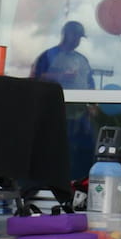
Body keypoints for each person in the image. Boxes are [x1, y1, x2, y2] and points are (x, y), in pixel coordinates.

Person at [31, 20, 96, 183]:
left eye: (80, 37)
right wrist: (61, 77)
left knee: (83, 151)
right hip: (56, 113)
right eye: (75, 36)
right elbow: (37, 78)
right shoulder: (49, 55)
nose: (77, 40)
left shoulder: (82, 60)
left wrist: (93, 104)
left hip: (80, 116)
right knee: (57, 151)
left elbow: (90, 84)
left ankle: (78, 185)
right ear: (66, 34)